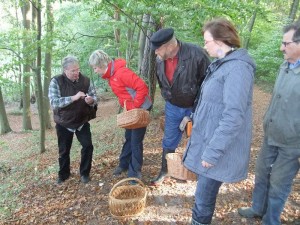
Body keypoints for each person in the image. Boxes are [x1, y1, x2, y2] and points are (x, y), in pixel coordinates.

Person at [182, 18, 256, 225]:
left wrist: (213, 152)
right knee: (202, 197)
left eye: (207, 41)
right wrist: (194, 117)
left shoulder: (238, 69)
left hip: (219, 148)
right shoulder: (221, 65)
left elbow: (233, 115)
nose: (204, 46)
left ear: (221, 40)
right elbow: (212, 103)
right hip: (209, 139)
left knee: (203, 200)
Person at [238, 21, 300, 225]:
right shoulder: (286, 66)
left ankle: (271, 220)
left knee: (279, 184)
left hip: (292, 143)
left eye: (286, 43)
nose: (282, 47)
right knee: (262, 173)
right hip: (271, 134)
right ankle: (258, 207)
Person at [149, 28, 210, 186]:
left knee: (196, 139)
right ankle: (165, 170)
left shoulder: (197, 54)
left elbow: (209, 85)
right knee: (169, 140)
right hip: (173, 107)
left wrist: (196, 110)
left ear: (169, 46)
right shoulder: (159, 60)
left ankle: (195, 171)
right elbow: (162, 83)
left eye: (158, 49)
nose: (156, 53)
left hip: (195, 108)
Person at [89, 50, 152, 180]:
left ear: (101, 65)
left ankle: (135, 173)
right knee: (128, 136)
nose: (95, 71)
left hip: (140, 109)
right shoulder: (111, 76)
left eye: (95, 68)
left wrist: (135, 106)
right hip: (130, 111)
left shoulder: (122, 73)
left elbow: (142, 87)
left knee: (135, 140)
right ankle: (124, 164)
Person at [48, 55, 97, 184]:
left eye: (78, 69)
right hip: (64, 122)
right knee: (64, 151)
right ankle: (64, 175)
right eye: (73, 71)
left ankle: (84, 173)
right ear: (65, 71)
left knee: (88, 146)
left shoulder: (86, 80)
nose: (77, 73)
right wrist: (73, 98)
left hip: (82, 121)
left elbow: (94, 97)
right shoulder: (56, 81)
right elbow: (54, 102)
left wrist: (91, 101)